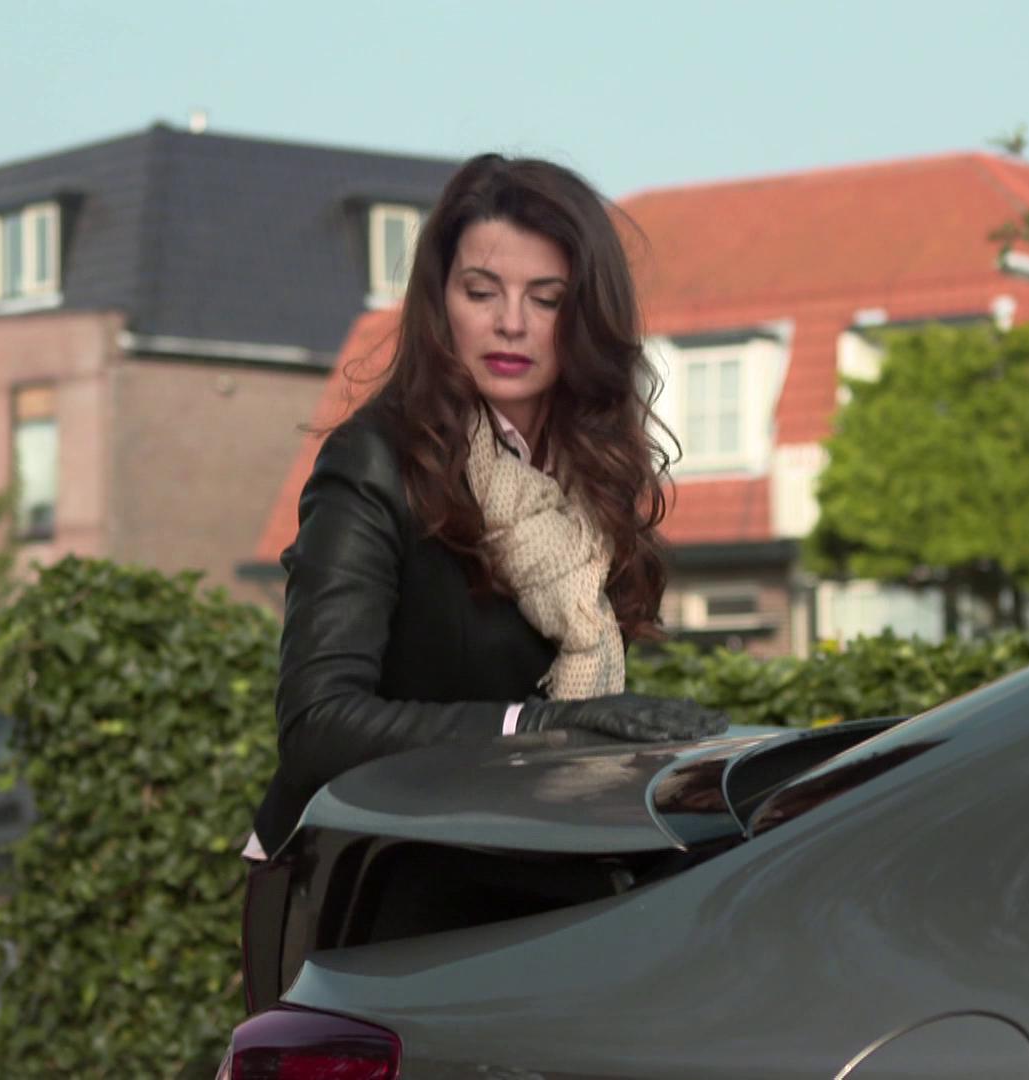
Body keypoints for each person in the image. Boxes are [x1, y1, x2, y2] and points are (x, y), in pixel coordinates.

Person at [246, 154, 729, 859]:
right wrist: (531, 729)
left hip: (523, 851)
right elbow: (317, 725)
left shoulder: (594, 478)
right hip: (369, 870)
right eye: (481, 292)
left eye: (547, 298)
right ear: (440, 303)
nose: (511, 323)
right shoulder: (376, 460)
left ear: (586, 316)